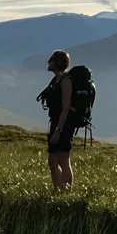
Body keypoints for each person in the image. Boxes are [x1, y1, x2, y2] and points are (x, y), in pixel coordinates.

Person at [37, 50, 77, 191]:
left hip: (64, 124)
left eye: (51, 59)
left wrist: (58, 130)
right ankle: (58, 190)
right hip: (55, 121)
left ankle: (66, 191)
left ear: (58, 62)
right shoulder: (56, 80)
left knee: (63, 158)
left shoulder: (66, 81)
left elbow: (65, 108)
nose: (48, 62)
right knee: (53, 160)